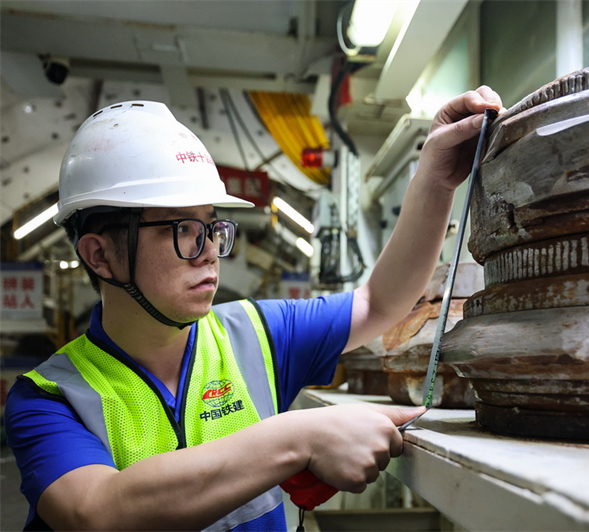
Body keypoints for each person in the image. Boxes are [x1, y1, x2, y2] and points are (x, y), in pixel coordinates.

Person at [4, 86, 503, 531]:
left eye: (212, 228)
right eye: (182, 230)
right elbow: (96, 511)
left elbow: (380, 302)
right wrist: (299, 436)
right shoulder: (50, 397)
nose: (207, 252)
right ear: (100, 255)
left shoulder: (257, 334)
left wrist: (435, 181)